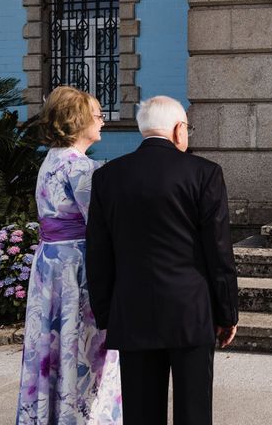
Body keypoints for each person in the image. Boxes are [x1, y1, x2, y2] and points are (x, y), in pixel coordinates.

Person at [86, 95, 239, 425]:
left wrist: (107, 314)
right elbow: (219, 250)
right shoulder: (205, 173)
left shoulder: (108, 177)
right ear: (178, 129)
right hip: (191, 311)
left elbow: (98, 252)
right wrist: (227, 312)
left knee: (141, 413)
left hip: (132, 311)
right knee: (194, 412)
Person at [16, 86, 122, 424]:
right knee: (84, 346)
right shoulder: (82, 168)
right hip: (77, 265)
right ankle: (85, 416)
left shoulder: (50, 160)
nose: (103, 121)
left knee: (54, 343)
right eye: (98, 115)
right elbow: (101, 226)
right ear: (77, 121)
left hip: (49, 263)